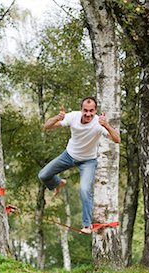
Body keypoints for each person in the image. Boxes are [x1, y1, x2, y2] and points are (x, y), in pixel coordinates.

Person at [38, 96, 121, 234]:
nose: (88, 114)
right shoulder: (73, 117)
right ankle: (58, 182)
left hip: (88, 161)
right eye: (85, 110)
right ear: (81, 109)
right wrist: (57, 118)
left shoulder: (98, 124)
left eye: (91, 111)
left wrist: (106, 125)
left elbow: (117, 139)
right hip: (69, 155)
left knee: (84, 190)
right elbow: (46, 126)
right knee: (43, 175)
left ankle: (87, 225)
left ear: (95, 111)